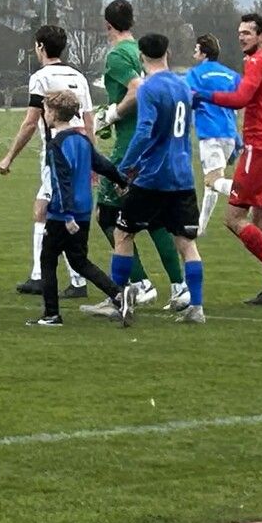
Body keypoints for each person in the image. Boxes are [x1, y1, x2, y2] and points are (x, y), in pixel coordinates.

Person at [90, 0, 187, 311]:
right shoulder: (138, 50)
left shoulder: (118, 54)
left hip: (130, 144)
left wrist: (111, 115)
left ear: (107, 25)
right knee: (154, 217)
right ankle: (179, 285)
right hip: (158, 147)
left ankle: (138, 283)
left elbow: (136, 89)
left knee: (107, 216)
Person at [106, 33, 206, 327]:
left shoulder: (149, 88)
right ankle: (196, 307)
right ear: (168, 52)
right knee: (186, 243)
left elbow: (144, 129)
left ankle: (119, 302)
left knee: (123, 234)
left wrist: (125, 168)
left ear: (140, 56)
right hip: (182, 177)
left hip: (152, 176)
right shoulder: (183, 84)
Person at [0, 25, 95, 299]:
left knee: (54, 211)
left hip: (56, 152)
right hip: (80, 150)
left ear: (40, 46)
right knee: (43, 210)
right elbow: (89, 121)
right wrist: (92, 159)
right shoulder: (79, 76)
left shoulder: (40, 78)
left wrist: (8, 157)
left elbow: (31, 122)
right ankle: (45, 276)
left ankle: (68, 280)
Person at [208, 12, 262, 306]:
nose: (241, 37)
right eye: (240, 32)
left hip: (259, 148)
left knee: (233, 218)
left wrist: (203, 95)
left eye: (247, 33)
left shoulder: (257, 62)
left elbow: (241, 98)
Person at [27, 90, 129, 327]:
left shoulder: (56, 145)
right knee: (79, 261)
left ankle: (51, 314)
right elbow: (102, 164)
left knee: (48, 259)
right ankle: (118, 294)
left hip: (64, 213)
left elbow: (61, 182)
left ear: (53, 113)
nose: (45, 114)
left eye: (47, 110)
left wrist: (66, 215)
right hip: (84, 210)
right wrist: (121, 179)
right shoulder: (82, 140)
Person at [184, 34, 242, 236]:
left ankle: (242, 190)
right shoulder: (232, 75)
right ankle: (201, 228)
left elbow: (188, 98)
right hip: (228, 132)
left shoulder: (195, 74)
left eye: (196, 49)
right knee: (213, 181)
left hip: (209, 132)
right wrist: (237, 138)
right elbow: (237, 104)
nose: (194, 53)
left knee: (212, 180)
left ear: (203, 52)